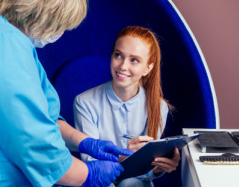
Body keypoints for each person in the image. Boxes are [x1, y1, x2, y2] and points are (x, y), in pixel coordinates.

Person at [0, 0, 133, 186]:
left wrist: (84, 142)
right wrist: (86, 174)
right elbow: (31, 138)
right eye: (60, 26)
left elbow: (40, 117)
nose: (61, 32)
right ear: (40, 15)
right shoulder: (2, 46)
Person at [74, 26, 181, 187]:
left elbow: (145, 174)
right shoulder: (84, 102)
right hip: (99, 181)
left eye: (134, 60)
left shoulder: (159, 106)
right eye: (118, 55)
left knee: (131, 183)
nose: (123, 66)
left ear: (148, 68)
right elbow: (91, 164)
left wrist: (159, 168)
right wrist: (128, 154)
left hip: (136, 182)